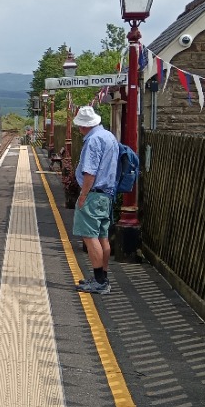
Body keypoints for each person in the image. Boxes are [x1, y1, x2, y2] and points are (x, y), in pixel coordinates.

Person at [71, 105, 119, 295]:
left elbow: (90, 171)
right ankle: (103, 278)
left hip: (93, 194)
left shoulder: (93, 140)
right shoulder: (109, 137)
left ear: (83, 126)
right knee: (102, 237)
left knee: (90, 237)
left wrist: (83, 195)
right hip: (106, 195)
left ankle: (99, 283)